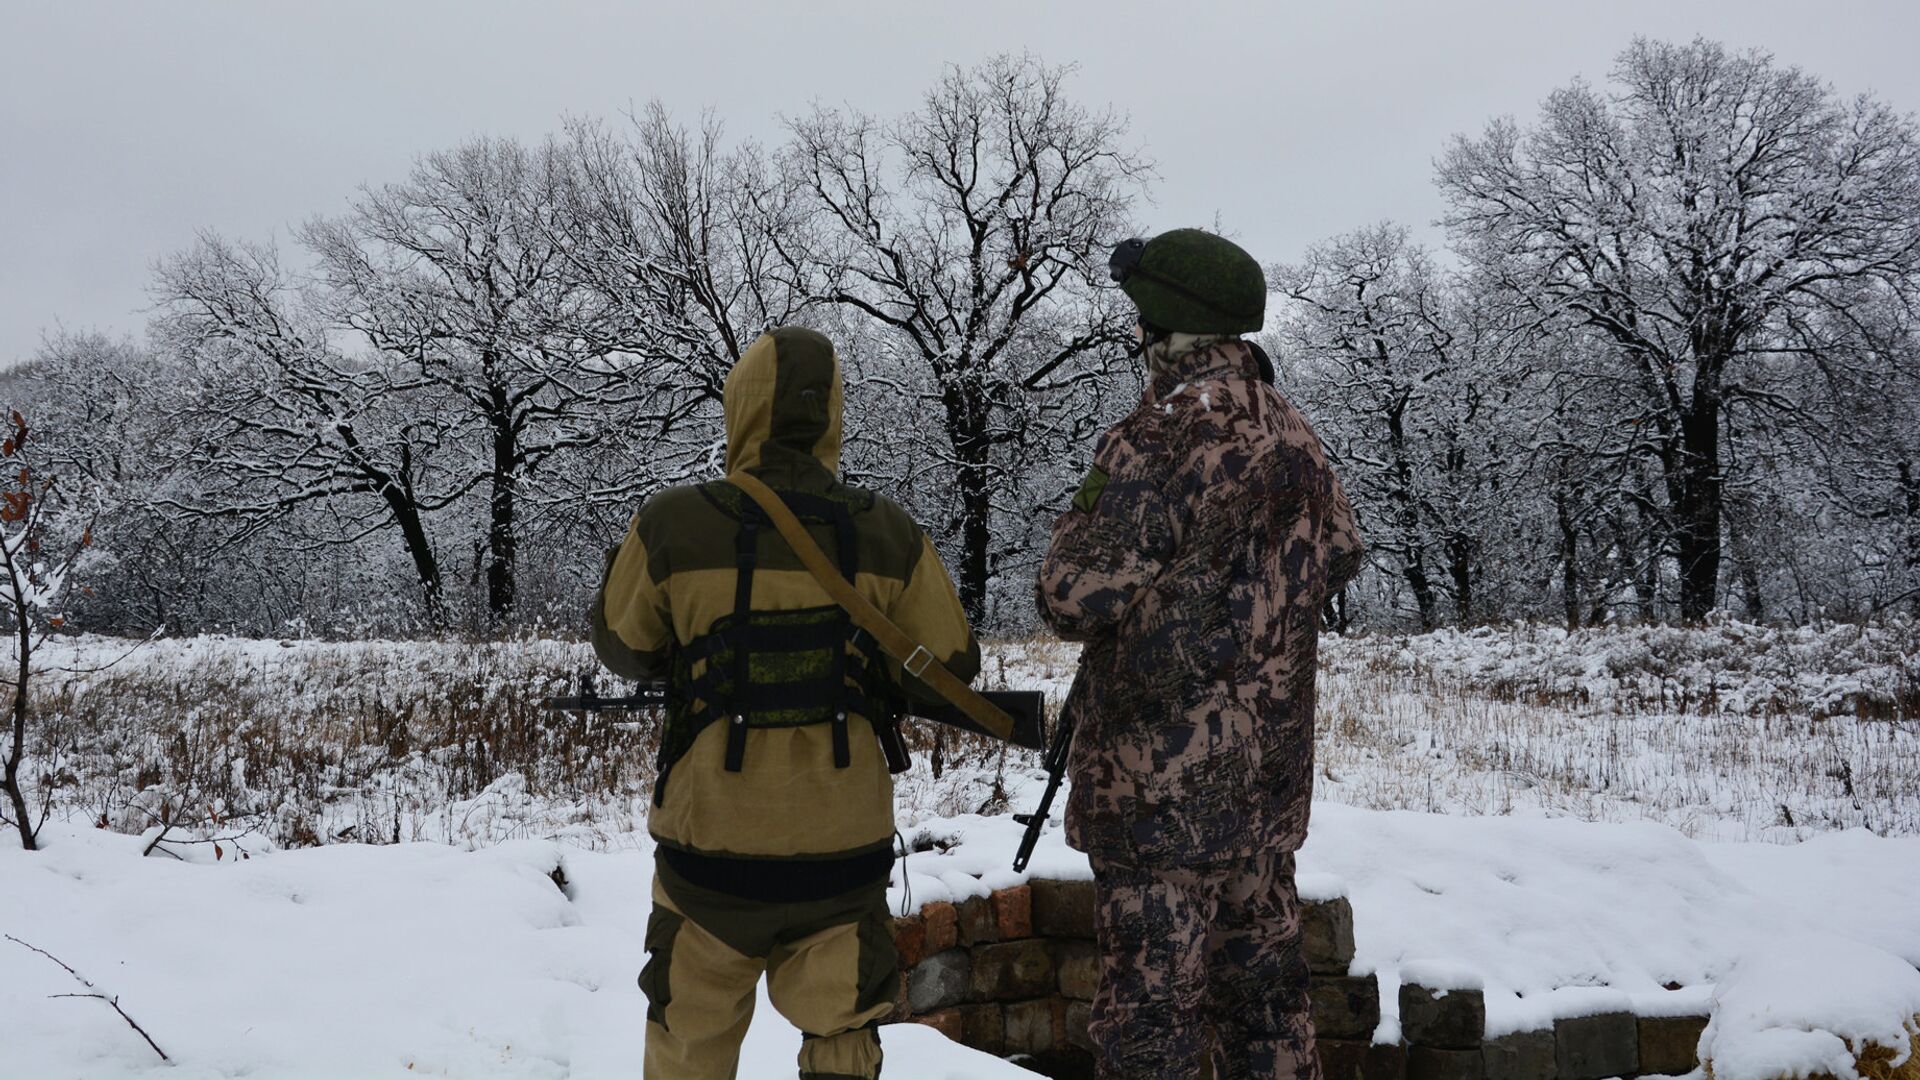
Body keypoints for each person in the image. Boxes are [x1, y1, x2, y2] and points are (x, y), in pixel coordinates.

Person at [592, 325, 981, 1080]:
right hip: (842, 855)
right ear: (833, 415)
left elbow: (623, 645)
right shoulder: (889, 532)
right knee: (842, 1037)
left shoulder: (671, 522)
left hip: (707, 860)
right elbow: (951, 668)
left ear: (741, 407)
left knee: (687, 1045)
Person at [1036, 229, 1365, 1079]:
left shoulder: (1158, 434)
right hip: (1264, 787)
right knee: (1269, 1011)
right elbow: (1342, 552)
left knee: (1153, 1029)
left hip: (1159, 797)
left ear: (1163, 326)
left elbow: (1071, 595)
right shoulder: (1295, 432)